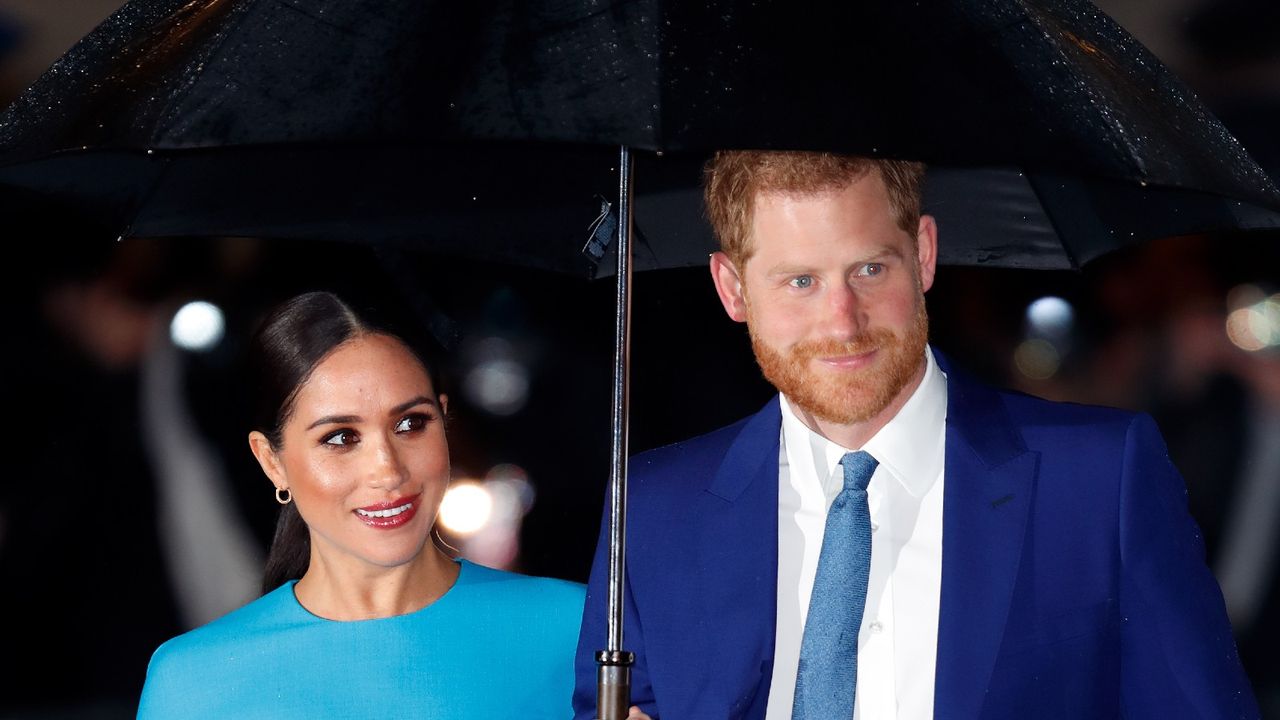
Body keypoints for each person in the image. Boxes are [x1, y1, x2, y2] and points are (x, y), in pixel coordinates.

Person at [571, 151, 1258, 719]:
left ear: (923, 253)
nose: (843, 321)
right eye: (800, 281)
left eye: (870, 269)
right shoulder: (655, 508)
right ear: (733, 288)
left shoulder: (1097, 479)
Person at [138, 291, 585, 719]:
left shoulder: (582, 630)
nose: (388, 471)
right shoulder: (193, 680)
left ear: (444, 420)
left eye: (411, 424)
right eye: (341, 438)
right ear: (271, 461)